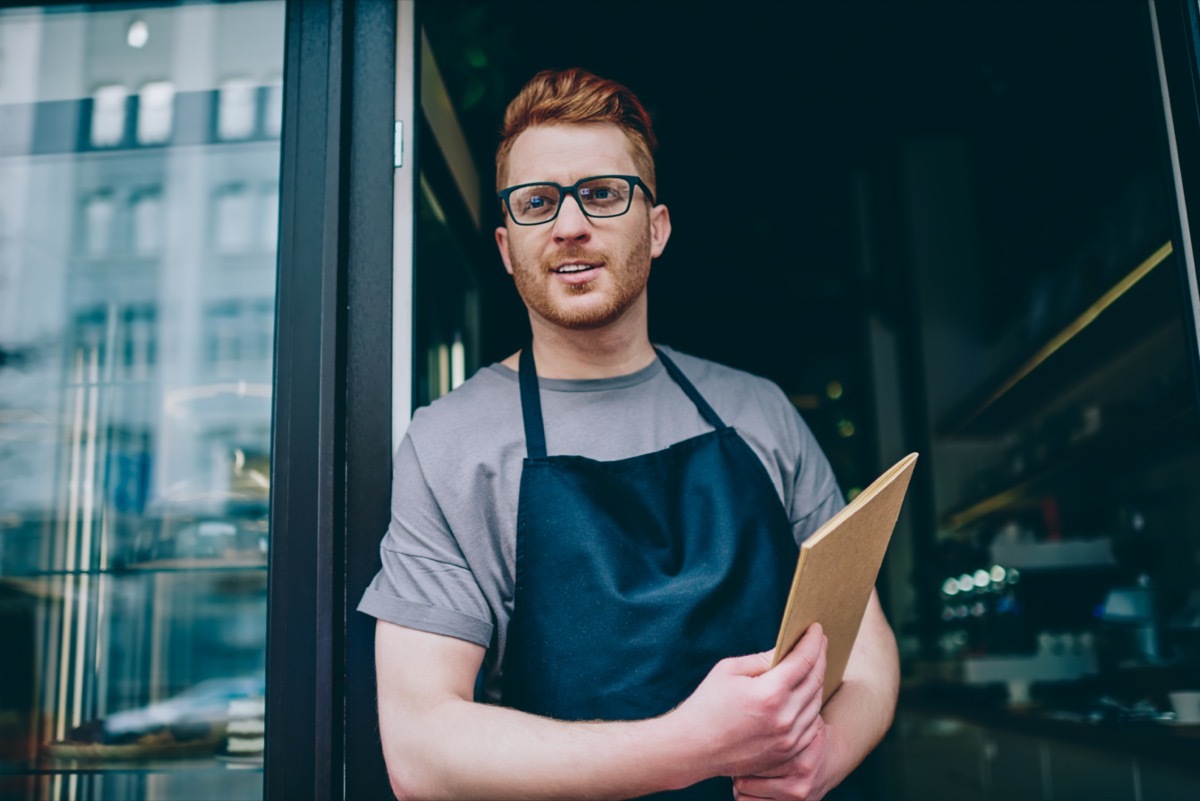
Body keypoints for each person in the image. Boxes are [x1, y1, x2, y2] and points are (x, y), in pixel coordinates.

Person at [358, 67, 899, 801]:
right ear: (506, 245)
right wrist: (693, 744)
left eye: (604, 194)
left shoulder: (760, 413)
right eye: (537, 202)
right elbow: (421, 750)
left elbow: (864, 646)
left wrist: (823, 758)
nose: (570, 224)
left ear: (658, 226)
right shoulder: (449, 444)